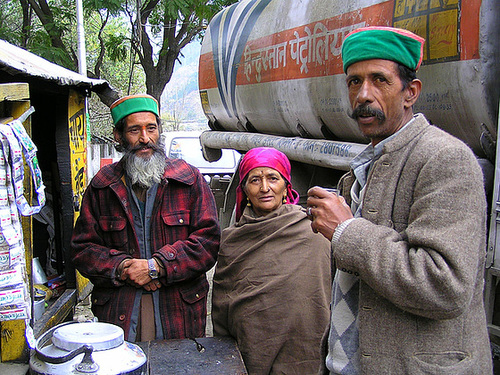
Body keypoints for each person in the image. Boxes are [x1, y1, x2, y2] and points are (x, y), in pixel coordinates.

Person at [306, 27, 493, 374]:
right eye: (354, 81)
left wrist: (347, 231)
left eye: (380, 80)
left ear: (411, 92)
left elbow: (446, 285)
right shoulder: (363, 168)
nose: (363, 94)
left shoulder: (445, 159)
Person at [71, 94, 220, 342]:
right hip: (121, 309)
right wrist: (123, 268)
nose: (145, 139)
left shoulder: (188, 179)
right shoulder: (102, 186)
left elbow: (208, 242)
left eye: (151, 128)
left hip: (178, 310)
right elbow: (82, 249)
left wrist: (156, 267)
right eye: (134, 130)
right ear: (118, 136)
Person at [212, 147, 332, 375]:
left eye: (273, 178)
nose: (265, 188)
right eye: (255, 180)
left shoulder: (313, 232)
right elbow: (222, 304)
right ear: (245, 189)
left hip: (303, 352)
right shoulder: (233, 239)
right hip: (252, 351)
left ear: (287, 186)